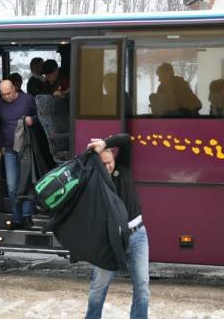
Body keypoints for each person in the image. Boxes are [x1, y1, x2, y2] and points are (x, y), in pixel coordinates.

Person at [86, 133, 150, 319]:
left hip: (137, 235)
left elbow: (125, 139)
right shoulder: (95, 181)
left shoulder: (123, 166)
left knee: (142, 287)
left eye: (109, 162)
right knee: (98, 289)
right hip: (110, 240)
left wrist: (104, 143)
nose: (107, 167)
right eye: (103, 164)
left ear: (114, 158)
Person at [0, 80, 37, 229]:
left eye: (9, 93)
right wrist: (1, 145)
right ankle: (17, 217)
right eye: (3, 94)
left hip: (26, 147)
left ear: (14, 88)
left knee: (27, 182)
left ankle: (26, 216)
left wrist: (33, 120)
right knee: (12, 186)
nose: (7, 97)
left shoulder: (28, 99)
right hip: (9, 149)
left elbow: (42, 116)